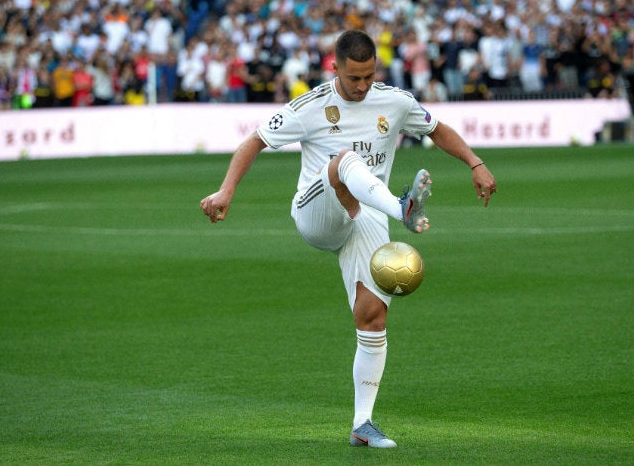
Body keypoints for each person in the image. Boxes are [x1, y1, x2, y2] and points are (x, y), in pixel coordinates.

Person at [199, 30, 497, 448]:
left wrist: (475, 162)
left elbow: (437, 127)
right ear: (334, 67)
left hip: (366, 214)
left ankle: (363, 423)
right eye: (354, 77)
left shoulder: (394, 101)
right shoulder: (311, 106)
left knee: (372, 316)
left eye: (369, 76)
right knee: (346, 161)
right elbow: (255, 141)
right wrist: (225, 190)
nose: (362, 86)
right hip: (316, 211)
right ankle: (402, 208)